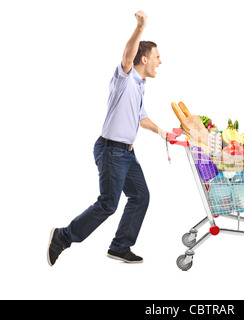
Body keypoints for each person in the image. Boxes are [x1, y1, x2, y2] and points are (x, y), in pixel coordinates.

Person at [47, 10, 167, 266]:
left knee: (140, 196)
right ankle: (62, 237)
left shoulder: (139, 86)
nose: (160, 62)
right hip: (111, 151)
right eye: (157, 57)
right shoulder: (125, 78)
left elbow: (140, 118)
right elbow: (127, 56)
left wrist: (161, 131)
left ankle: (120, 246)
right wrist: (140, 28)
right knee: (107, 204)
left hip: (126, 153)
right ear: (143, 58)